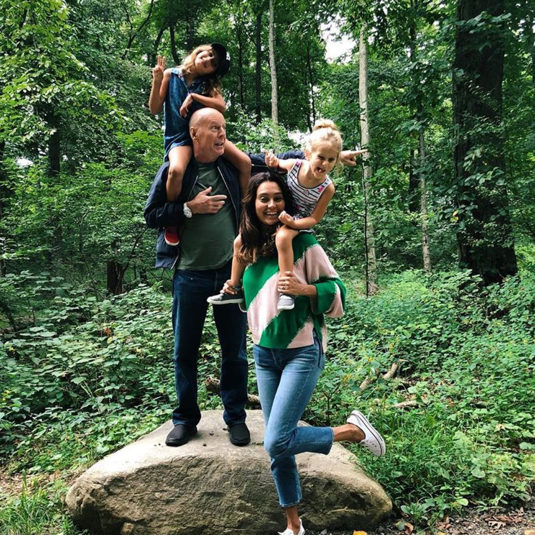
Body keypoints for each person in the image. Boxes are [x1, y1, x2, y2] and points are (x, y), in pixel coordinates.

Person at [217, 172, 386, 535]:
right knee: (279, 445)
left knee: (276, 440)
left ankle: (352, 431)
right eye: (263, 198)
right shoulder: (246, 247)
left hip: (302, 352)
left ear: (287, 202)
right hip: (264, 355)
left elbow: (338, 291)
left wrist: (305, 289)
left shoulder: (303, 241)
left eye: (277, 198)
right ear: (252, 203)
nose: (271, 205)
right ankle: (294, 527)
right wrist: (234, 288)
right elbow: (254, 300)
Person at [144, 107, 252, 448]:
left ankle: (235, 417)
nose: (222, 134)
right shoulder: (175, 170)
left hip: (230, 276)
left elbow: (277, 163)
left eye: (224, 128)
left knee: (234, 352)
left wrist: (319, 156)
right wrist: (190, 207)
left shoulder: (229, 168)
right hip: (188, 275)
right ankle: (185, 420)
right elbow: (151, 215)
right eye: (214, 128)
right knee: (184, 351)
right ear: (194, 133)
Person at [208, 120, 364, 311]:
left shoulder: (327, 187)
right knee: (240, 240)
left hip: (300, 219)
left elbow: (315, 218)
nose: (325, 164)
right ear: (308, 154)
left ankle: (286, 289)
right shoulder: (295, 165)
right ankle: (234, 287)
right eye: (321, 157)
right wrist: (273, 162)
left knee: (282, 237)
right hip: (283, 213)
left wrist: (294, 224)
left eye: (331, 160)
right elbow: (277, 163)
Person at [148, 43, 251, 246]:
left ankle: (245, 214)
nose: (208, 59)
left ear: (212, 72)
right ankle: (173, 221)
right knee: (176, 171)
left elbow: (222, 106)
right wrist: (157, 80)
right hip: (179, 138)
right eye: (209, 54)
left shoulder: (206, 86)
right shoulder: (171, 75)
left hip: (206, 137)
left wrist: (194, 97)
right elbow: (154, 108)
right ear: (199, 51)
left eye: (213, 63)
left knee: (245, 162)